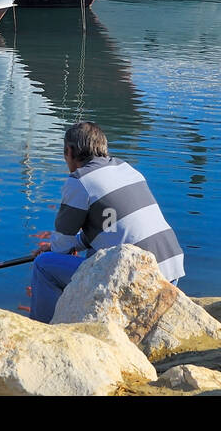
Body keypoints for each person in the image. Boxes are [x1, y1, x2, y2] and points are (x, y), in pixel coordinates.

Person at [29, 121, 184, 323]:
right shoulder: (125, 169)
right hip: (170, 270)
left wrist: (56, 250)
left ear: (69, 150)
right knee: (92, 255)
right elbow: (110, 226)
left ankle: (42, 332)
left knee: (43, 265)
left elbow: (61, 248)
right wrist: (75, 245)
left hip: (137, 276)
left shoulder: (79, 181)